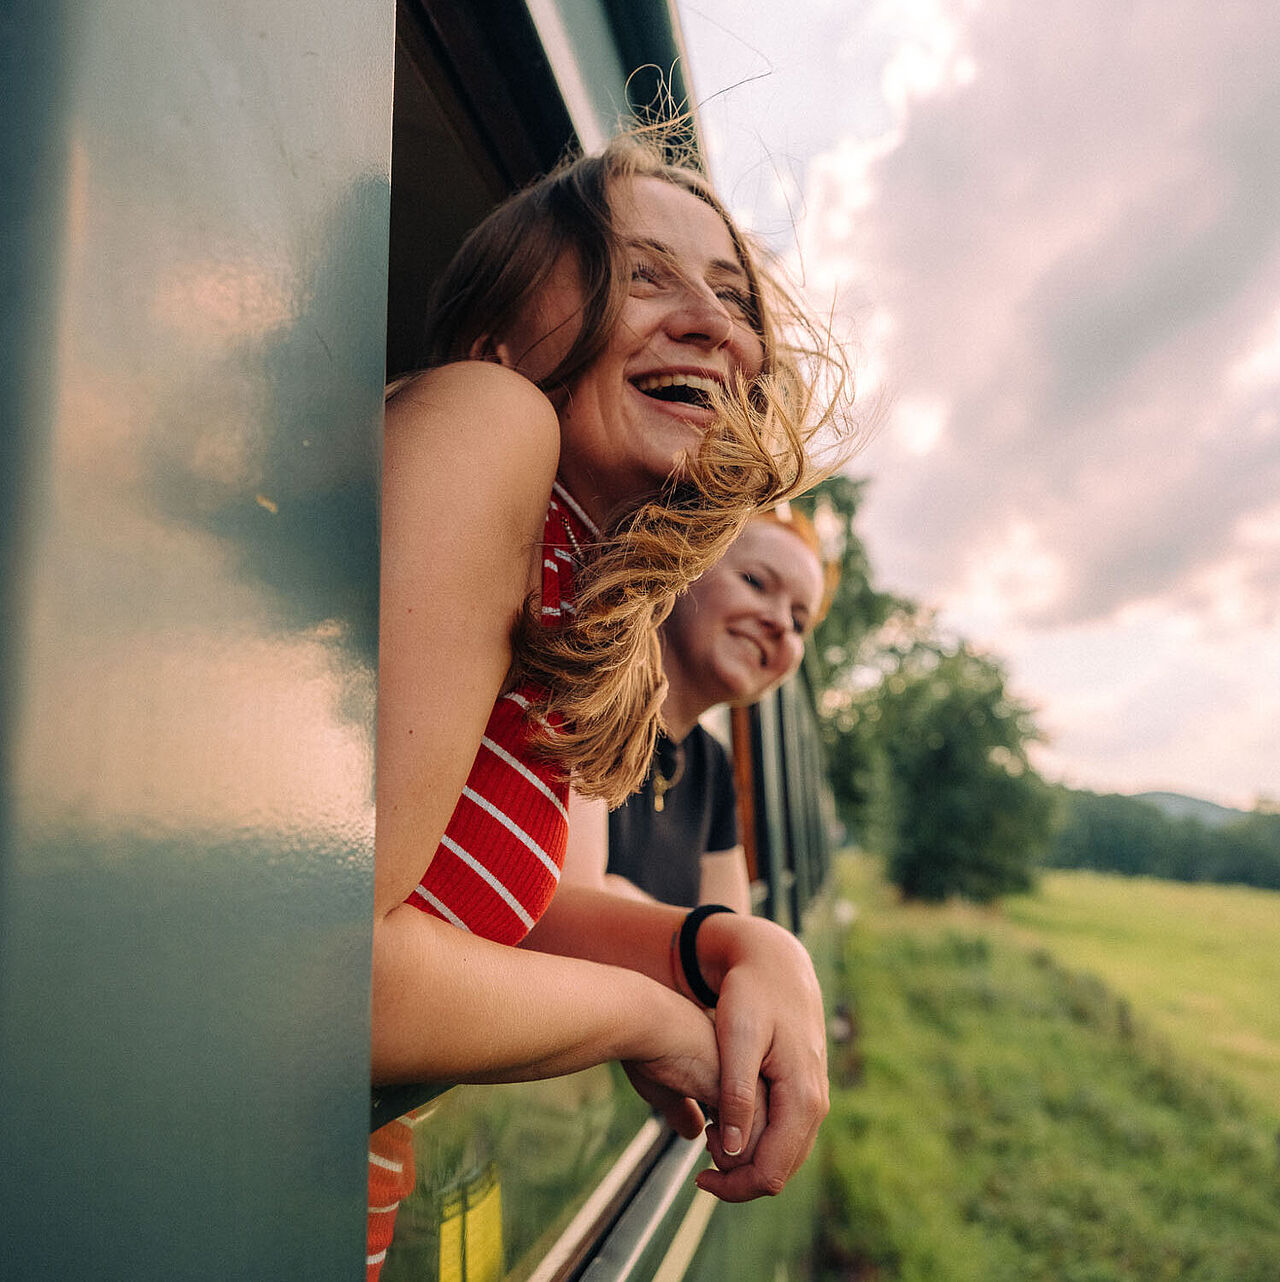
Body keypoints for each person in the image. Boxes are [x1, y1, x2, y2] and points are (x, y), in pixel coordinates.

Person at [370, 128, 851, 1274]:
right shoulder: (492, 417)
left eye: (734, 299)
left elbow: (503, 916)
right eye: (643, 274)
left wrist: (726, 942)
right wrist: (648, 1019)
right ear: (495, 339)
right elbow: (316, 962)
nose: (718, 326)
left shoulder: (561, 609)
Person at [595, 507, 830, 914]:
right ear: (684, 567)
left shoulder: (713, 767)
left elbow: (729, 926)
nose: (779, 622)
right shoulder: (588, 700)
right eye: (755, 582)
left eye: (798, 621)